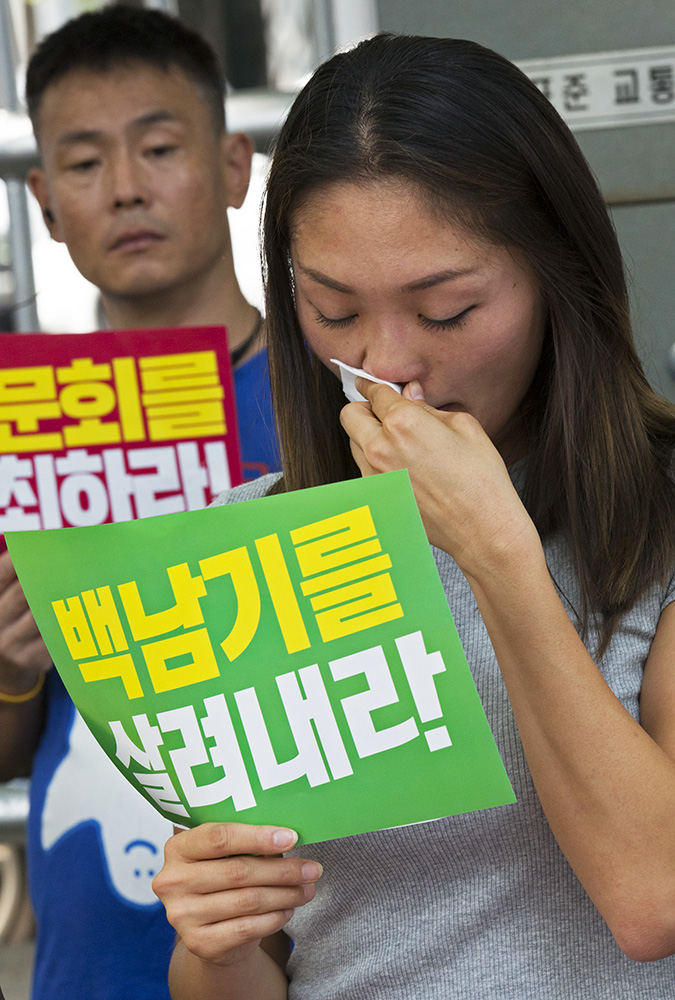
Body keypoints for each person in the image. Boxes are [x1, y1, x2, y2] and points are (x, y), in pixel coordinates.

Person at [151, 32, 675, 1000]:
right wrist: (215, 938)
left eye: (446, 310)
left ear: (557, 276)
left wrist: (497, 554)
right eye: (334, 310)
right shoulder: (250, 542)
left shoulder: (660, 515)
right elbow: (252, 967)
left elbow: (654, 897)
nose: (389, 363)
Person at [0, 6, 278, 999]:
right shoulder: (17, 429)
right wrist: (12, 665)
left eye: (159, 148)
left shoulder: (339, 398)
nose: (125, 189)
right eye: (83, 164)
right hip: (93, 946)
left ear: (236, 165)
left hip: (309, 935)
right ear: (42, 201)